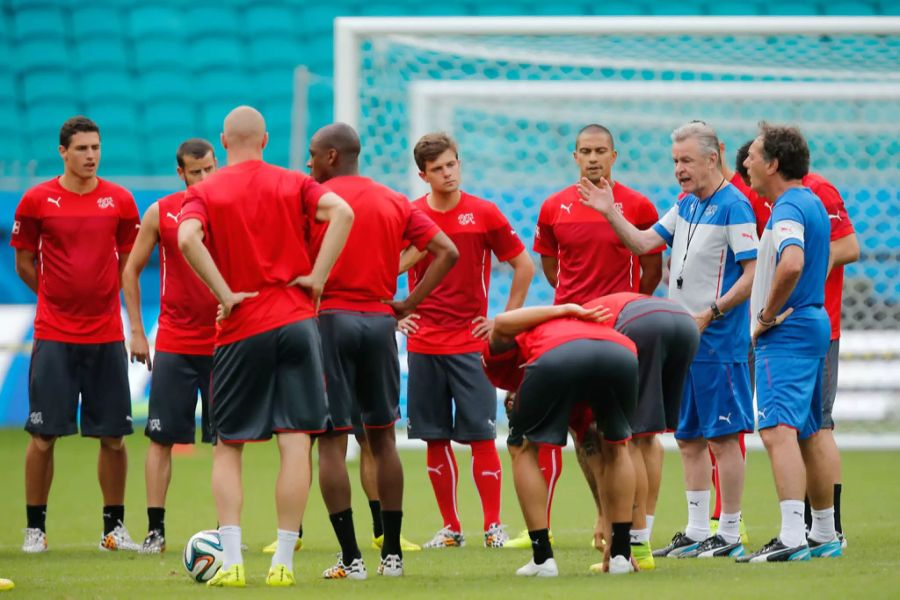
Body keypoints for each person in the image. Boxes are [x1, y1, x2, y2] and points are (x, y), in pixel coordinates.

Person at [178, 106, 354, 587]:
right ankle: (284, 562)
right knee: (296, 441)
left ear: (223, 140)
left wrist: (223, 293)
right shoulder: (292, 182)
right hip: (297, 321)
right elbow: (344, 211)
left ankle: (232, 560)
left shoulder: (205, 190)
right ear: (266, 140)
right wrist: (317, 277)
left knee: (228, 446)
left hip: (242, 325)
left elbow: (186, 236)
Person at [577, 121, 758, 559]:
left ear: (713, 159)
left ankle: (729, 530)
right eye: (675, 161)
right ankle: (698, 530)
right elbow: (642, 244)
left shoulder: (736, 206)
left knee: (724, 437)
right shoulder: (685, 204)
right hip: (686, 342)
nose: (679, 169)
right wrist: (609, 210)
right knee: (689, 437)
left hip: (718, 341)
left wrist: (710, 313)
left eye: (686, 161)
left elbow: (752, 274)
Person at [306, 123, 458, 579]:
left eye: (314, 154)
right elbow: (445, 250)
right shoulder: (392, 199)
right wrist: (406, 303)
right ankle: (392, 553)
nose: (308, 162)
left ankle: (351, 558)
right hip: (377, 323)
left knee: (331, 443)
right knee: (383, 438)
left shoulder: (311, 201)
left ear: (332, 157)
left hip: (329, 321)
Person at [519, 123, 663, 550]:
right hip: (570, 329)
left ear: (614, 156)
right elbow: (550, 266)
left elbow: (652, 268)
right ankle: (606, 514)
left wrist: (626, 306)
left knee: (633, 432)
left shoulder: (636, 205)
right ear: (575, 156)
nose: (594, 157)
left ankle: (636, 529)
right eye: (586, 151)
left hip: (621, 326)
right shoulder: (552, 207)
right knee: (584, 430)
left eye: (601, 150)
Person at [11, 116, 141, 553]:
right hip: (55, 335)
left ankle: (113, 528)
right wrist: (56, 297)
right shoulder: (36, 200)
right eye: (82, 148)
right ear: (62, 152)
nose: (90, 155)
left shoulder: (120, 201)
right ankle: (35, 530)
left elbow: (129, 264)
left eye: (96, 147)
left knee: (114, 437)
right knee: (42, 436)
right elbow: (24, 262)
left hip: (105, 335)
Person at [398, 132, 534, 549]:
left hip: (469, 344)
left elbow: (523, 265)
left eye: (452, 164)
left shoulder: (484, 213)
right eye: (438, 169)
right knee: (434, 437)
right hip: (423, 344)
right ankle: (451, 527)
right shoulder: (411, 215)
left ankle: (493, 525)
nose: (448, 173)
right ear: (423, 175)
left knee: (480, 435)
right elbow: (384, 267)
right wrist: (395, 314)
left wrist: (503, 321)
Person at [729, 142, 859, 546]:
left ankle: (800, 534)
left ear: (772, 163)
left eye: (752, 158)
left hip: (793, 325)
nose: (746, 167)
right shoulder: (786, 197)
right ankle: (821, 531)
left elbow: (832, 251)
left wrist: (777, 303)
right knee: (805, 429)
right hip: (802, 322)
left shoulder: (809, 195)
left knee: (789, 428)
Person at [482, 302, 638, 576]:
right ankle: (621, 555)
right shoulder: (571, 341)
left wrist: (566, 307)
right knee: (616, 446)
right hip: (622, 352)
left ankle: (543, 558)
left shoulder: (513, 347)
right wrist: (605, 519)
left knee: (521, 448)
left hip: (560, 355)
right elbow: (596, 454)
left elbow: (502, 321)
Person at [121, 138, 219, 554]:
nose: (203, 178)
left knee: (227, 441)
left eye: (209, 170)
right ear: (180, 173)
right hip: (176, 342)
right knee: (160, 439)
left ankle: (224, 531)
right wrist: (138, 331)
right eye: (195, 172)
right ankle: (155, 531)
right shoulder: (162, 212)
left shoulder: (231, 207)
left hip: (224, 344)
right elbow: (131, 270)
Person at [570, 292, 700, 571]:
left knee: (624, 440)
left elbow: (592, 437)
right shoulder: (575, 322)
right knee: (648, 437)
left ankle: (635, 548)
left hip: (642, 325)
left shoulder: (564, 352)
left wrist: (606, 515)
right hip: (684, 324)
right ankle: (642, 543)